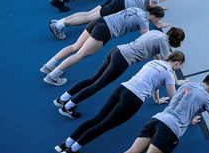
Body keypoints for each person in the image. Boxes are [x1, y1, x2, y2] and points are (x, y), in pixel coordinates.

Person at [55, 52, 184, 153]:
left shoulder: (154, 62)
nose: (179, 68)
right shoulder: (168, 74)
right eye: (180, 66)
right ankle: (72, 150)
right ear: (177, 63)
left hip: (122, 89)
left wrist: (157, 99)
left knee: (97, 119)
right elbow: (173, 97)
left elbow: (154, 84)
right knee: (105, 125)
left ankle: (65, 144)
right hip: (133, 99)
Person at [53, 27, 185, 119]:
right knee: (97, 85)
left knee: (93, 79)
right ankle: (68, 107)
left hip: (117, 50)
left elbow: (158, 60)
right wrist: (174, 82)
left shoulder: (157, 33)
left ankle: (62, 99)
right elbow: (165, 67)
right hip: (123, 60)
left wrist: (157, 98)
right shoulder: (164, 44)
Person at [41, 6, 164, 86]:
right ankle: (53, 76)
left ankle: (49, 65)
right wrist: (159, 59)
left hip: (99, 21)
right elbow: (146, 40)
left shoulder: (136, 9)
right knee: (80, 55)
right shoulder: (144, 22)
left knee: (75, 47)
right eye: (157, 19)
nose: (156, 21)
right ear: (154, 15)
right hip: (104, 31)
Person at [49, 0, 177, 40]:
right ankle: (59, 26)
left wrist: (156, 0)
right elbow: (152, 10)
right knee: (89, 19)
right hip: (122, 6)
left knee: (89, 14)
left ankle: (59, 21)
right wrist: (158, 23)